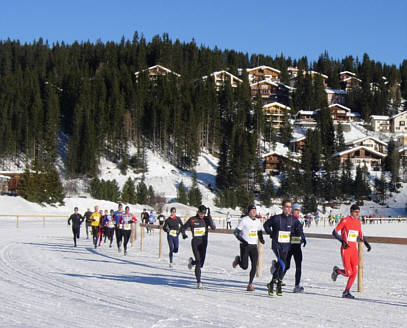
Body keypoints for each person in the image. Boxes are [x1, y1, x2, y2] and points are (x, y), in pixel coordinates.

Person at [331, 204, 371, 299]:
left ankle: (346, 291)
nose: (357, 214)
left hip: (354, 250)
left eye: (358, 212)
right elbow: (334, 232)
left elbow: (361, 235)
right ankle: (337, 271)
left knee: (355, 272)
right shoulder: (345, 220)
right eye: (356, 212)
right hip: (346, 250)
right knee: (349, 273)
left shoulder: (358, 222)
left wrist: (366, 243)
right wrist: (342, 241)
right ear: (351, 211)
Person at [263, 199, 295, 296]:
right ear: (283, 207)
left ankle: (271, 283)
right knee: (283, 265)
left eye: (290, 207)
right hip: (277, 245)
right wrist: (271, 233)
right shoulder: (276, 218)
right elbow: (266, 225)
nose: (289, 209)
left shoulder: (292, 219)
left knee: (282, 265)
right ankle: (279, 285)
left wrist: (299, 236)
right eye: (287, 207)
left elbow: (297, 228)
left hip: (286, 246)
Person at [180, 205, 216, 289]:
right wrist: (184, 234)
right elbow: (183, 227)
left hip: (203, 243)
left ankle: (192, 262)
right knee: (199, 262)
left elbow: (213, 227)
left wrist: (209, 217)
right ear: (197, 211)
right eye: (200, 213)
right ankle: (199, 282)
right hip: (195, 242)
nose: (202, 215)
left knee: (201, 264)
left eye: (204, 213)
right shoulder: (192, 220)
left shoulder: (206, 219)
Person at [232, 205, 265, 291]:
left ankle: (250, 284)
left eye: (255, 210)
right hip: (245, 246)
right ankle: (238, 260)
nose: (254, 212)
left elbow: (259, 232)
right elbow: (236, 232)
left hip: (254, 246)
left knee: (254, 266)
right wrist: (242, 240)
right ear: (249, 211)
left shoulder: (258, 221)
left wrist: (261, 239)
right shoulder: (244, 220)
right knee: (245, 266)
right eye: (252, 210)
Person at [283, 203, 306, 293]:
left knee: (299, 265)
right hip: (288, 246)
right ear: (292, 211)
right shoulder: (288, 219)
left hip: (297, 246)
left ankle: (297, 285)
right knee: (286, 265)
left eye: (298, 210)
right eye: (296, 210)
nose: (297, 212)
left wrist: (303, 238)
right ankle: (278, 279)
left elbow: (301, 231)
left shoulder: (300, 220)